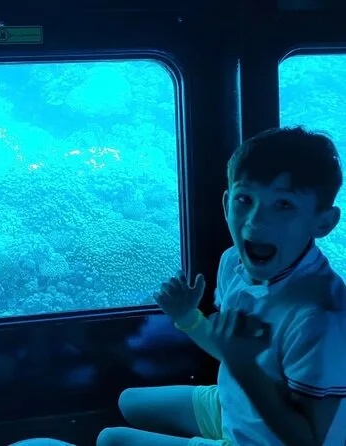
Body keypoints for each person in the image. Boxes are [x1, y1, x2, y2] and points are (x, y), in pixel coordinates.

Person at [97, 127, 346, 445]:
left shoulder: (321, 316)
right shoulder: (234, 262)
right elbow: (231, 352)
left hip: (265, 439)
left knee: (111, 439)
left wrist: (244, 367)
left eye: (283, 204)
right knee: (128, 401)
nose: (255, 220)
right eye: (245, 199)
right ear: (227, 204)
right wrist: (188, 318)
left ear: (324, 222)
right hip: (237, 404)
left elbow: (306, 441)